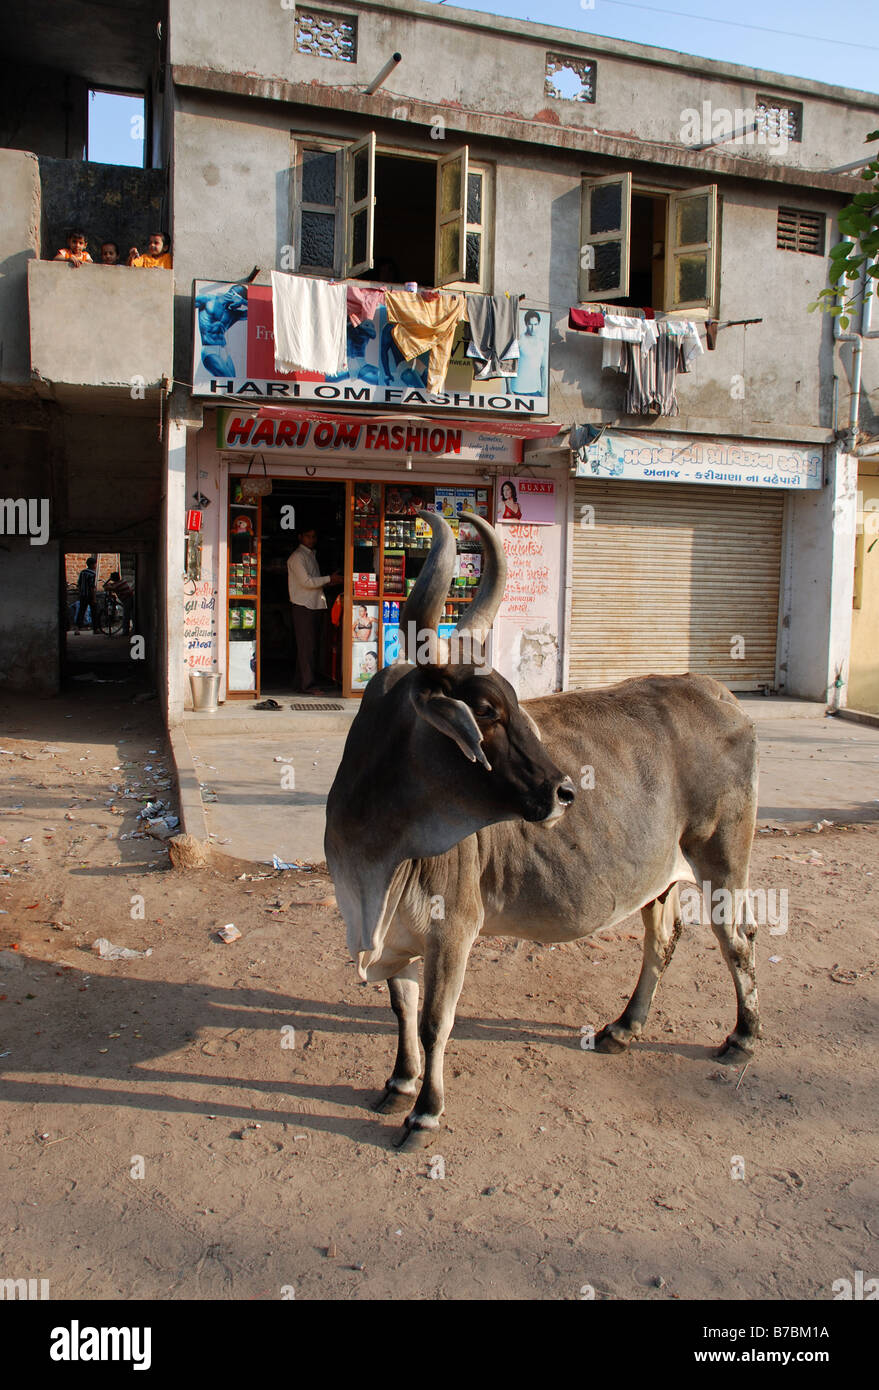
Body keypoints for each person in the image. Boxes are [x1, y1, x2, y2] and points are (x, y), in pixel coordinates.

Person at [287, 527, 342, 696]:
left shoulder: (310, 555)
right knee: (307, 648)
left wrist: (329, 582)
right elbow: (307, 582)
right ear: (300, 537)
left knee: (308, 647)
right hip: (304, 605)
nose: (311, 539)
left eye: (313, 536)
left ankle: (300, 683)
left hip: (314, 604)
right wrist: (329, 579)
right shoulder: (297, 557)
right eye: (308, 536)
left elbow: (314, 582)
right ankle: (308, 685)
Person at [195, 283, 249, 377]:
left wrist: (243, 301)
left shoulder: (233, 314)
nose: (240, 306)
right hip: (209, 349)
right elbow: (190, 303)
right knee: (228, 378)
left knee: (233, 382)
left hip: (224, 350)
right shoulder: (208, 300)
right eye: (239, 302)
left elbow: (257, 311)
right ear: (233, 294)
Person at [512, 310, 546, 396]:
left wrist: (543, 390)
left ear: (539, 324)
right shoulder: (519, 340)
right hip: (517, 390)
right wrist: (509, 389)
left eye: (535, 324)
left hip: (535, 390)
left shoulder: (542, 342)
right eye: (530, 324)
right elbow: (508, 364)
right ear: (526, 324)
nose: (533, 328)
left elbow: (543, 368)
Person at [102, 571, 134, 636]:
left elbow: (105, 586)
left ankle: (126, 632)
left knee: (126, 616)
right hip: (127, 599)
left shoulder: (117, 585)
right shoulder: (121, 582)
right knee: (129, 614)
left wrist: (109, 580)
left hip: (128, 599)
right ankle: (128, 630)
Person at [74, 557, 97, 632]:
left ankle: (77, 628)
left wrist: (80, 593)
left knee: (81, 611)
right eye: (95, 564)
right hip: (90, 595)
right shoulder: (92, 574)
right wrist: (94, 598)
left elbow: (79, 584)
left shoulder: (82, 572)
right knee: (94, 612)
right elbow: (92, 587)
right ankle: (95, 629)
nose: (96, 565)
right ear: (92, 564)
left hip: (83, 595)